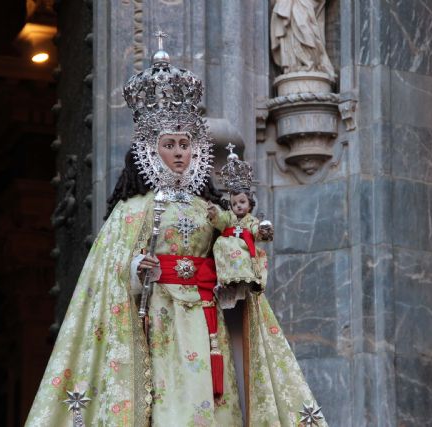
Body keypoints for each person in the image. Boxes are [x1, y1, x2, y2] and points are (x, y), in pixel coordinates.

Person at [25, 39, 328, 427]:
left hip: (205, 318)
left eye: (185, 144)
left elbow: (236, 244)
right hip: (156, 317)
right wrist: (138, 267)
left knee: (207, 401)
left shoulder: (210, 210)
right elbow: (108, 272)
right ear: (150, 151)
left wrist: (237, 257)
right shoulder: (132, 211)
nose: (180, 153)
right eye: (169, 145)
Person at [208, 144, 272, 308]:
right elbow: (221, 220)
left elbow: (256, 231)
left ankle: (244, 281)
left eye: (242, 202)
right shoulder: (229, 216)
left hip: (243, 249)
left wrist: (262, 231)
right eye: (234, 203)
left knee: (244, 255)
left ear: (250, 204)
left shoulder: (251, 220)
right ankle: (225, 282)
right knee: (221, 245)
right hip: (226, 246)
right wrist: (215, 214)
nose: (238, 206)